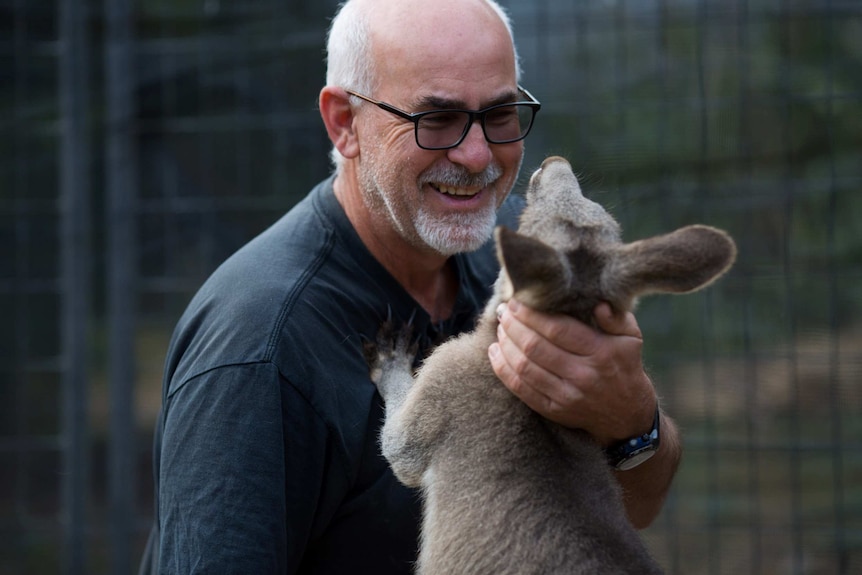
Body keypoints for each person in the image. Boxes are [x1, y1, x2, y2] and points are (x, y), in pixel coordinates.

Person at [139, 0, 682, 573]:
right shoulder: (261, 348)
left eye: (499, 114)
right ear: (344, 124)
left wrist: (631, 420)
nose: (476, 157)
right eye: (436, 119)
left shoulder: (516, 254)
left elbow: (635, 507)